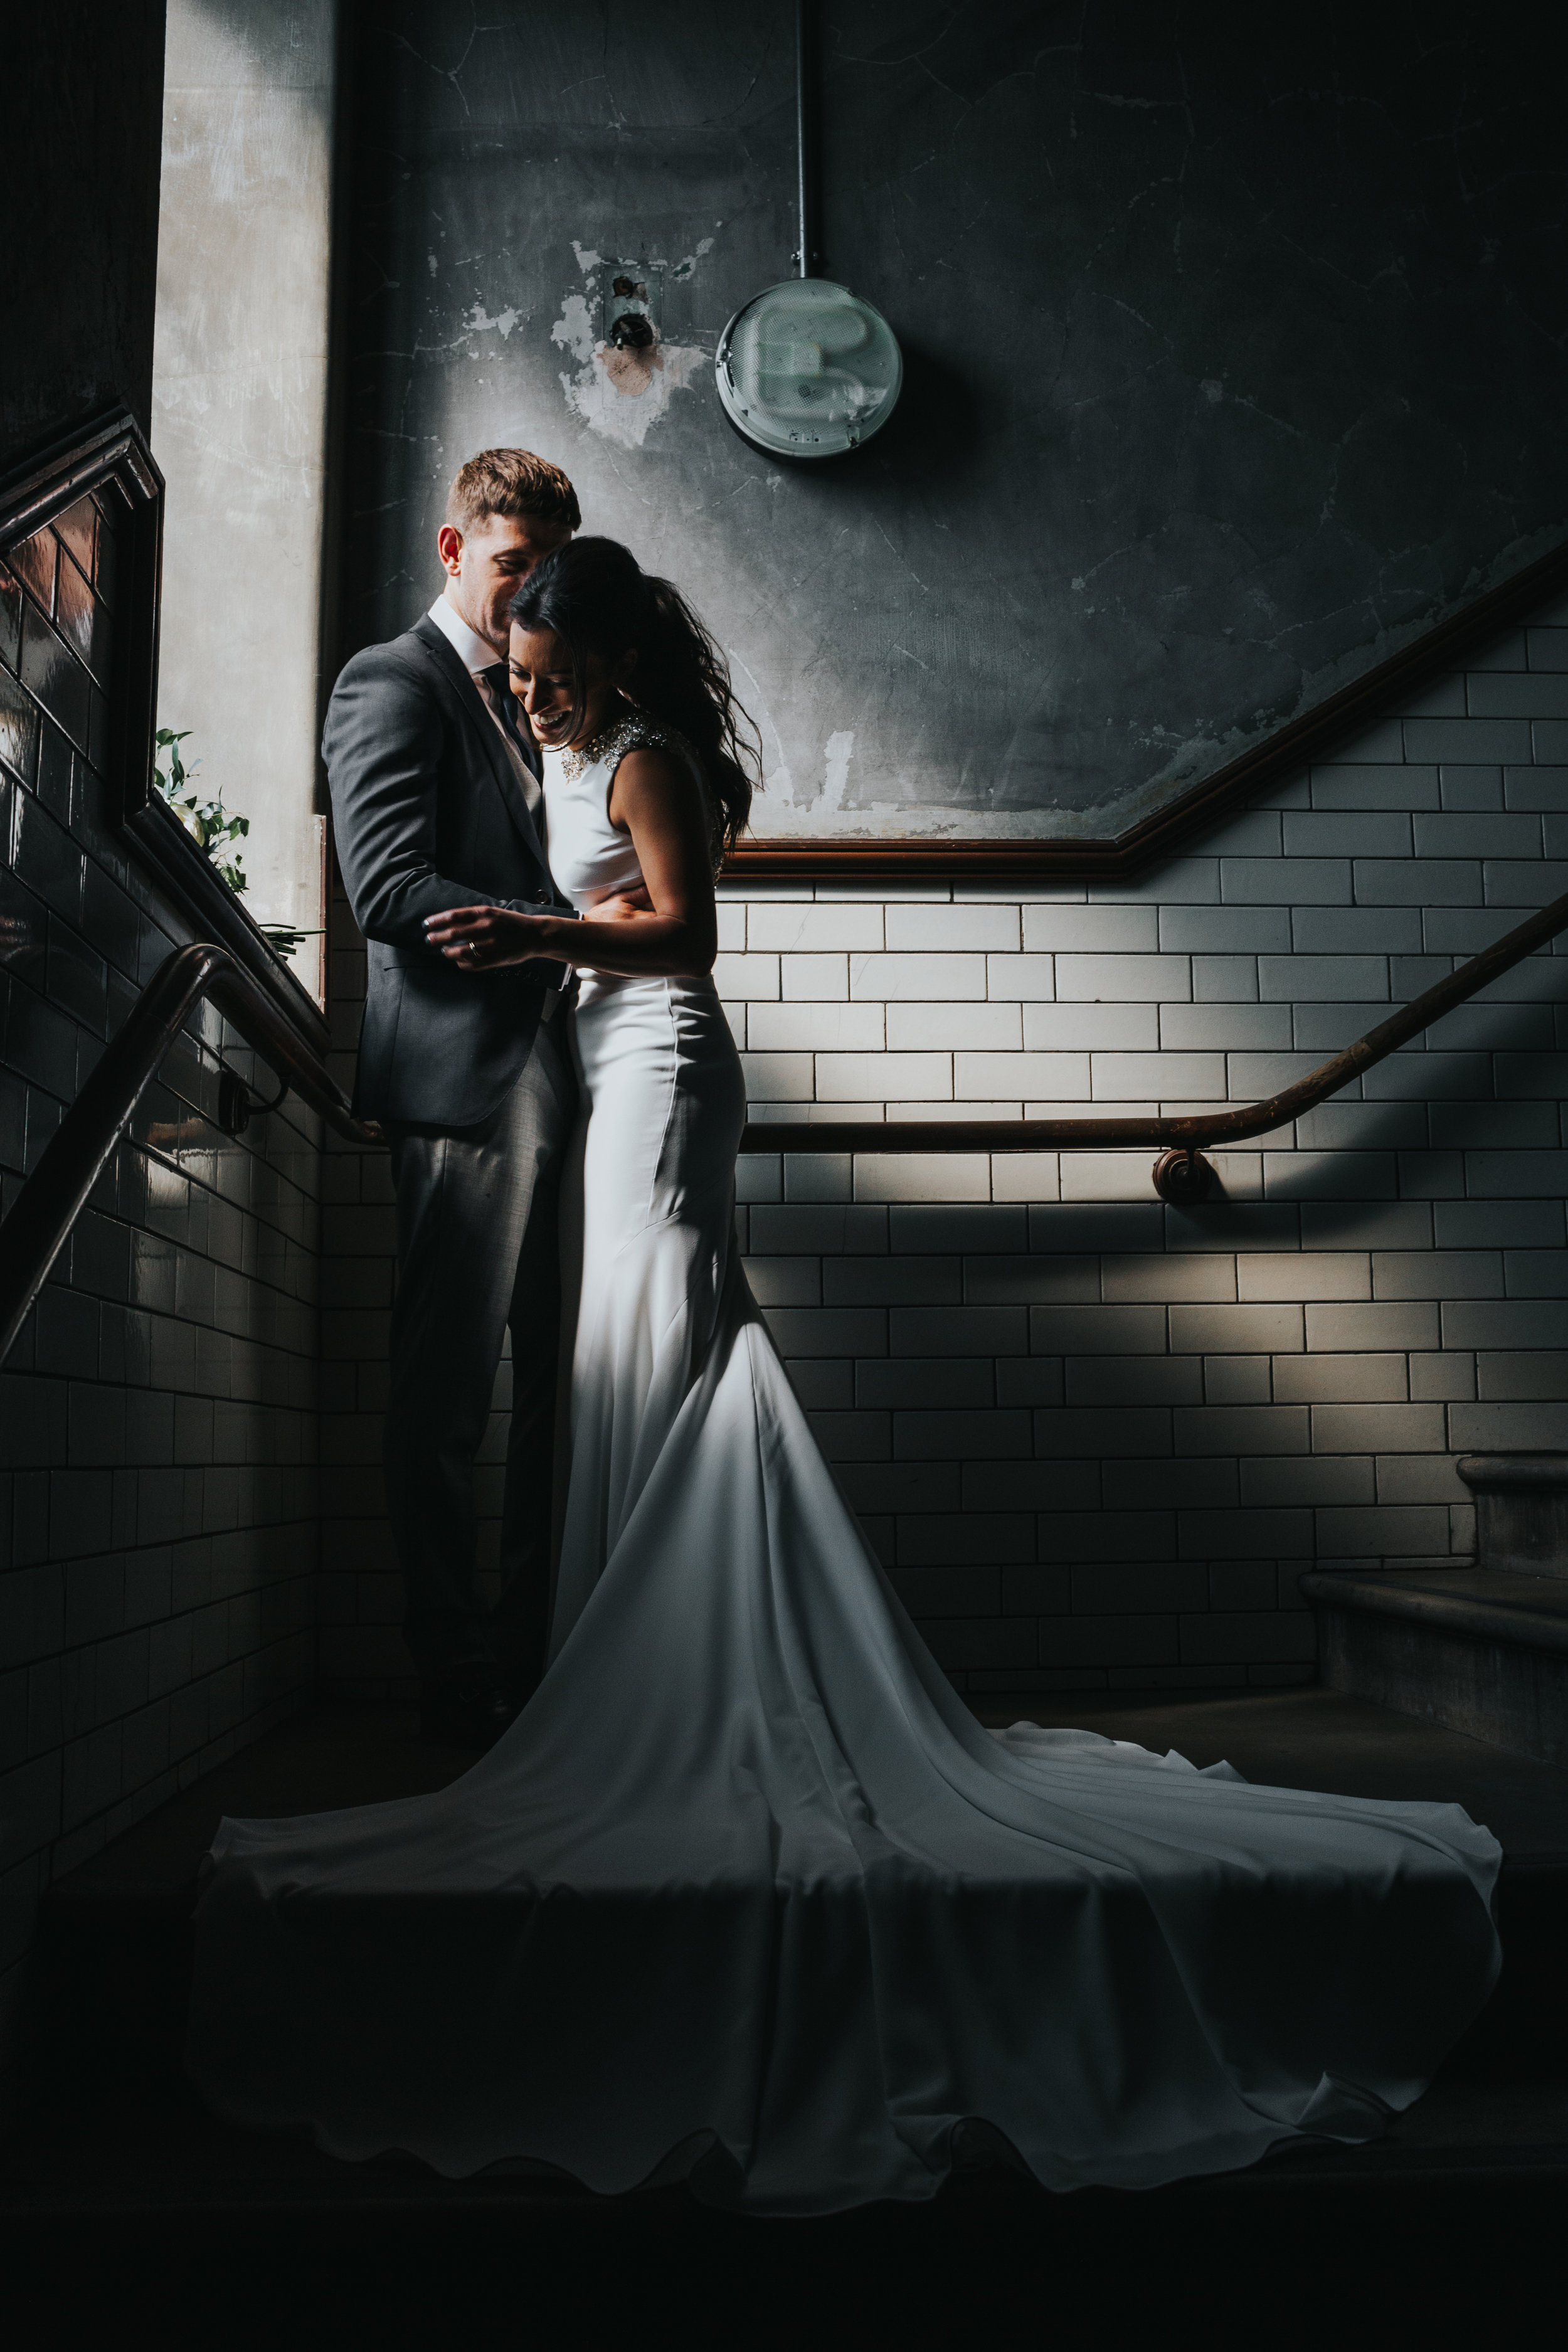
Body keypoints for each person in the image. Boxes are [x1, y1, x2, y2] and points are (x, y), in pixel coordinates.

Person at [190, 538, 1502, 2216]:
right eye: (513, 678)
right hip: (597, 1068)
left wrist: (530, 930)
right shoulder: (581, 748)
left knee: (661, 1332)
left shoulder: (652, 755)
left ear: (598, 647)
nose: (522, 696)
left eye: (537, 671)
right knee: (620, 1349)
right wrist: (542, 926)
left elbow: (684, 942)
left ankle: (698, 1677)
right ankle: (641, 1663)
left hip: (659, 1067)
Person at [322, 448, 581, 1747]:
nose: (525, 584)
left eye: (546, 565)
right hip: (462, 1080)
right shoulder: (393, 679)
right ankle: (455, 1676)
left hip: (566, 1074)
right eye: (508, 562)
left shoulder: (547, 695)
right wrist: (569, 926)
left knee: (560, 1391)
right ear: (450, 548)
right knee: (445, 1402)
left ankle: (539, 1660)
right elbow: (384, 886)